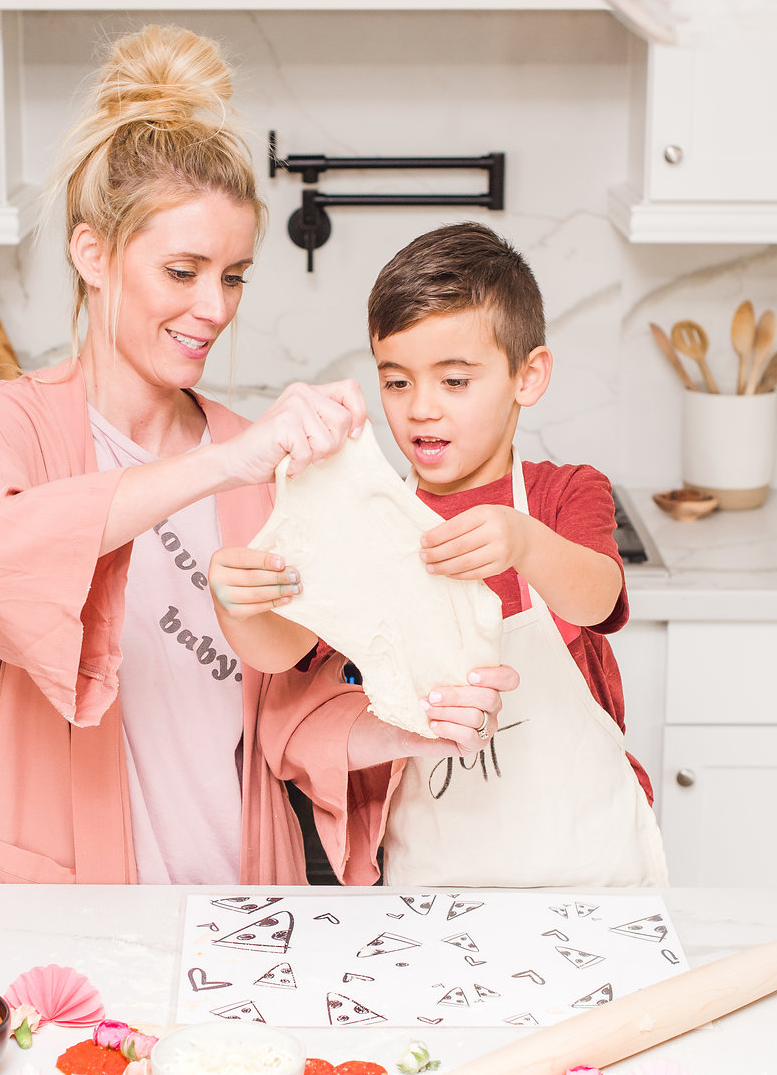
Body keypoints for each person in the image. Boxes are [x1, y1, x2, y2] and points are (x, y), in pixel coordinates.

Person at [0, 27, 514, 887]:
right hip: (62, 903)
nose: (214, 307)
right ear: (93, 254)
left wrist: (412, 725)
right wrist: (222, 465)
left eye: (233, 275)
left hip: (238, 905)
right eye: (183, 271)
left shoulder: (258, 461)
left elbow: (288, 712)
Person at [210, 221, 667, 888]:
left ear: (528, 376)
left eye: (454, 381)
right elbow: (285, 649)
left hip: (592, 874)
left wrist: (524, 540)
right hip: (434, 885)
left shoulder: (565, 492)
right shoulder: (369, 520)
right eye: (397, 383)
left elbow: (597, 597)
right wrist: (238, 605)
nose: (421, 409)